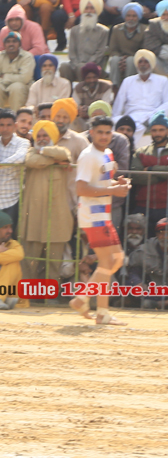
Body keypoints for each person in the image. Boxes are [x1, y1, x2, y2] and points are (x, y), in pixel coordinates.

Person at [69, 116, 131, 325]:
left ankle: (83, 299)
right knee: (108, 262)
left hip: (102, 215)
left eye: (107, 132)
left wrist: (117, 183)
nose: (104, 136)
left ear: (111, 134)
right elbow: (81, 188)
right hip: (93, 215)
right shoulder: (88, 156)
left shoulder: (107, 153)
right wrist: (113, 190)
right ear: (92, 133)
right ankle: (101, 312)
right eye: (100, 132)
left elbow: (101, 181)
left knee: (117, 259)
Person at [19, 120, 74, 279]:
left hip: (57, 220)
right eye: (39, 136)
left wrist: (44, 152)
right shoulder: (31, 152)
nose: (41, 138)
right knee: (29, 265)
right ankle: (27, 293)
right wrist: (54, 161)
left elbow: (65, 155)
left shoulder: (60, 150)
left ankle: (51, 294)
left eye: (45, 135)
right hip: (33, 220)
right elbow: (31, 161)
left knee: (53, 267)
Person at [113, 49, 168, 147]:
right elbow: (118, 105)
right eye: (140, 62)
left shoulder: (163, 81)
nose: (143, 64)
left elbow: (167, 103)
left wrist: (153, 115)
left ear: (151, 64)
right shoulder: (128, 81)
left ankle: (129, 148)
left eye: (146, 61)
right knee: (113, 122)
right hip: (131, 117)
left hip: (152, 116)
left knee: (138, 126)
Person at [0, 109, 29, 226]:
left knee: (9, 235)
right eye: (2, 125)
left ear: (15, 126)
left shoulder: (23, 143)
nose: (5, 129)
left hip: (10, 201)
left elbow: (20, 157)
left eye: (9, 125)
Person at [130, 111, 168, 227]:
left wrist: (151, 169)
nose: (157, 133)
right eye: (154, 130)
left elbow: (142, 175)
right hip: (143, 207)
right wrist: (162, 176)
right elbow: (135, 176)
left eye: (161, 130)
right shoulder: (141, 152)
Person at [62, 0, 109, 82]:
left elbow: (100, 53)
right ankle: (68, 91)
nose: (89, 11)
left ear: (96, 10)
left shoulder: (103, 31)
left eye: (92, 8)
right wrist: (76, 65)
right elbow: (72, 52)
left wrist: (86, 65)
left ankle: (84, 90)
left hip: (95, 66)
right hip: (76, 65)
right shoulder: (74, 30)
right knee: (64, 67)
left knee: (81, 67)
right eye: (86, 8)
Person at [0, 31, 35, 109]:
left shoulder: (27, 57)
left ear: (19, 44)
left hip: (22, 90)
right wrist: (15, 77)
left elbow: (25, 79)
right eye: (8, 42)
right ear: (4, 44)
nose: (11, 44)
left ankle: (17, 115)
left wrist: (5, 77)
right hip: (2, 89)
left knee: (16, 87)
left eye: (14, 41)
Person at [108, 3, 148, 87]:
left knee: (130, 61)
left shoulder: (145, 30)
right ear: (124, 17)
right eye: (128, 16)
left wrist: (127, 59)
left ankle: (129, 86)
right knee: (114, 60)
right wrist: (122, 59)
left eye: (134, 16)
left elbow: (144, 50)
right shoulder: (116, 29)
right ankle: (114, 87)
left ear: (138, 17)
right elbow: (113, 49)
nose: (131, 18)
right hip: (120, 57)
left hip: (136, 57)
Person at [72, 64, 114, 129]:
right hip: (83, 119)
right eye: (88, 78)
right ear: (84, 78)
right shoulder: (78, 88)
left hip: (100, 119)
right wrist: (80, 110)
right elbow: (74, 106)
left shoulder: (106, 87)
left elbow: (105, 106)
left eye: (94, 77)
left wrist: (88, 110)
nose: (92, 80)